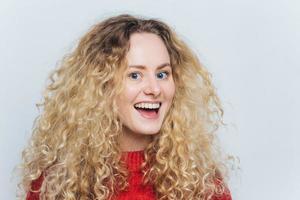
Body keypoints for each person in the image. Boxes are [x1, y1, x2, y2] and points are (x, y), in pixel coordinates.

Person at [19, 14, 232, 200]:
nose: (154, 88)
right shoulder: (56, 184)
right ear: (102, 86)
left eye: (162, 74)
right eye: (135, 75)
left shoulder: (201, 182)